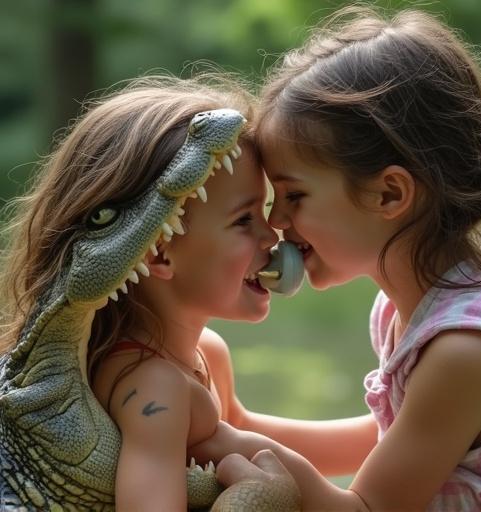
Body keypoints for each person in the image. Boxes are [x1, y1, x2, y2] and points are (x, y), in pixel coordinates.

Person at [190, 6, 481, 511]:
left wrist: (240, 450)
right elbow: (381, 436)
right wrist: (235, 422)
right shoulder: (400, 308)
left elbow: (367, 508)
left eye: (294, 196)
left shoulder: (464, 351)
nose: (277, 222)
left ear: (388, 195)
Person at [0, 75, 312, 511]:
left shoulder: (205, 352)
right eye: (244, 220)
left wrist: (394, 429)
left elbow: (241, 438)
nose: (271, 235)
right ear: (159, 250)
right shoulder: (153, 388)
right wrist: (260, 502)